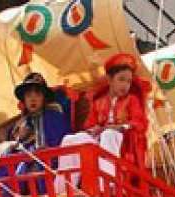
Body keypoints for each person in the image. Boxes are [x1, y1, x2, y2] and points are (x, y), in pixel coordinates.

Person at [56, 53, 150, 185]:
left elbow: (140, 123)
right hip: (99, 140)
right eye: (121, 79)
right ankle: (65, 187)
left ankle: (107, 184)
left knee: (109, 134)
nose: (125, 85)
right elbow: (90, 124)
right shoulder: (98, 102)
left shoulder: (132, 100)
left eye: (129, 81)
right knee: (70, 139)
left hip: (123, 145)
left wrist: (121, 127)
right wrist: (92, 130)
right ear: (110, 79)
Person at [0, 72, 73, 194]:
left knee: (30, 168)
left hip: (50, 166)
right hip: (24, 165)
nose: (33, 98)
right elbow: (14, 151)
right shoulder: (20, 125)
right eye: (28, 95)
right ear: (24, 100)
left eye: (37, 94)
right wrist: (19, 141)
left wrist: (42, 151)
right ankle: (4, 194)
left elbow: (62, 144)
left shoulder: (54, 115)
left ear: (44, 98)